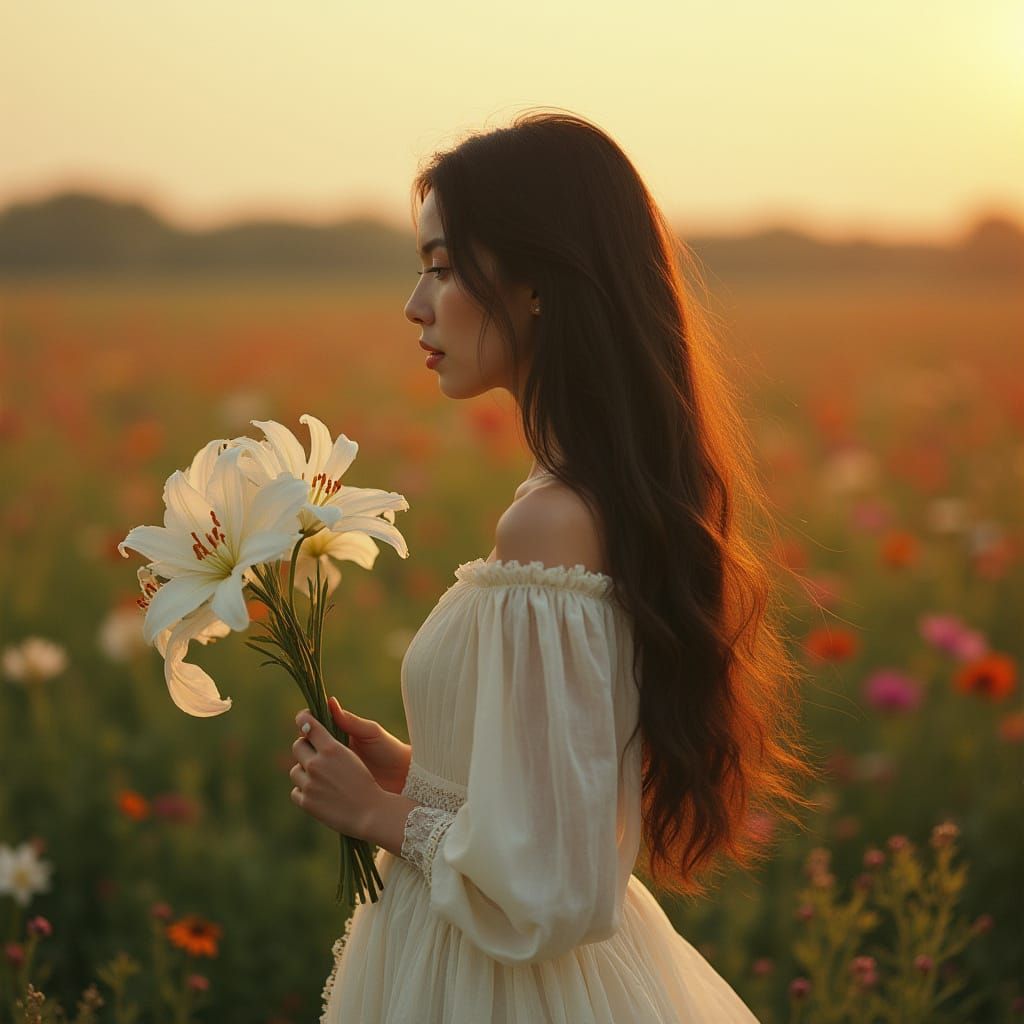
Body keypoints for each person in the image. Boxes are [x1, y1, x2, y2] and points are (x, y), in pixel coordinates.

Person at [289, 109, 819, 1023]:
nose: (416, 305)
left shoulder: (550, 524)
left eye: (444, 268)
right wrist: (419, 777)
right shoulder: (585, 498)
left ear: (537, 283)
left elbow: (554, 887)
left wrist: (379, 818)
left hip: (501, 983)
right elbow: (546, 803)